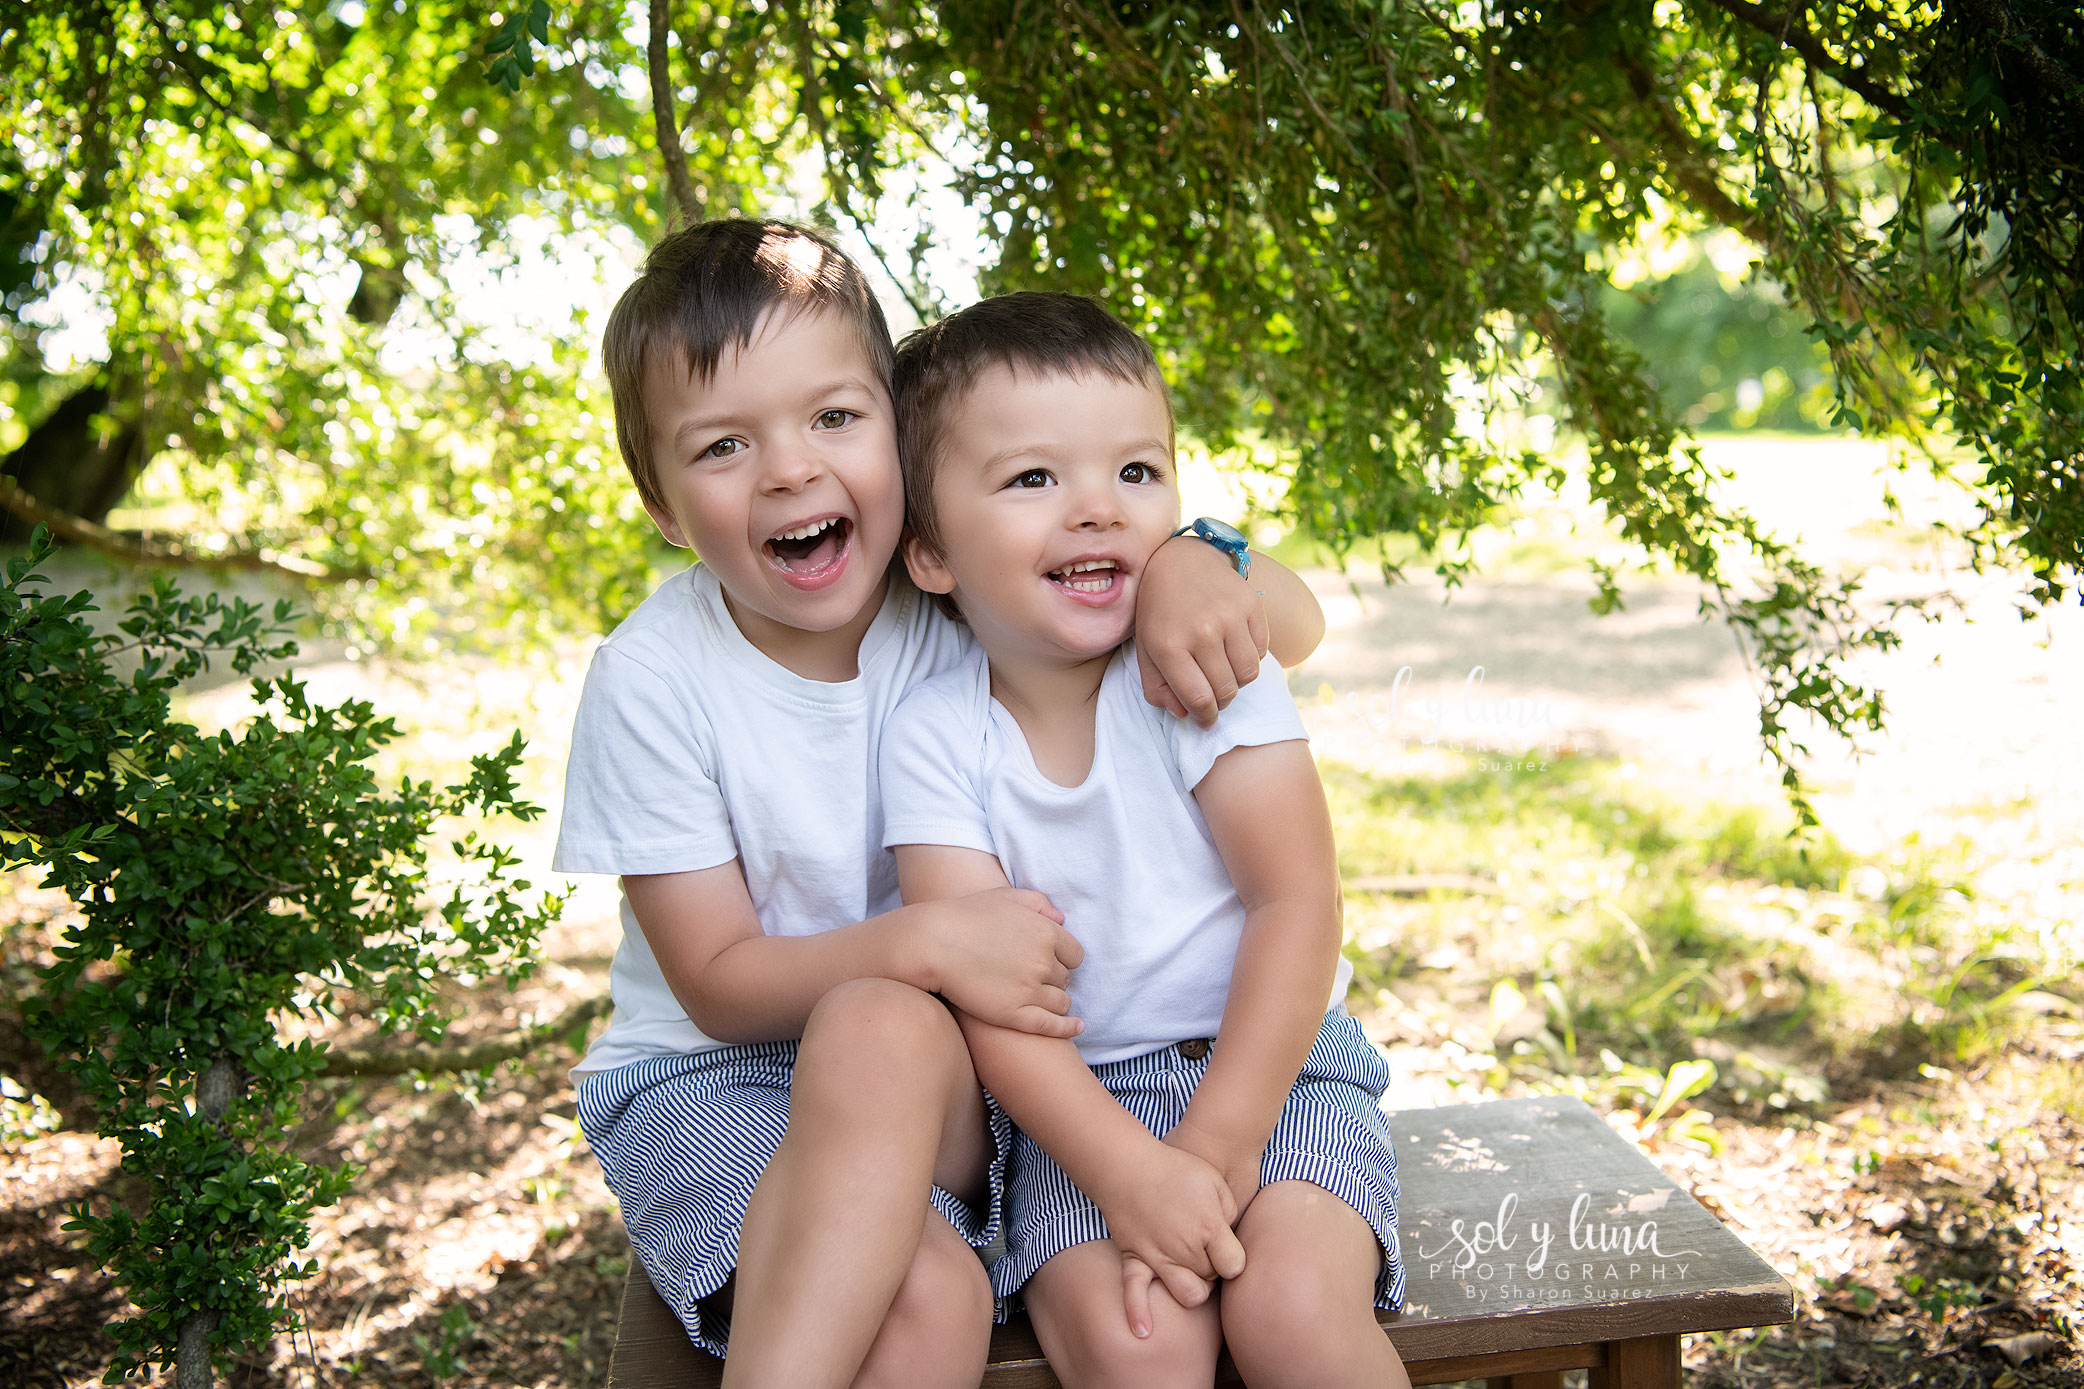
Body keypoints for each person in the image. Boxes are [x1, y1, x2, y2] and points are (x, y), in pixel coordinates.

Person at [554, 220, 1327, 1389]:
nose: (789, 470)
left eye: (833, 419)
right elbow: (712, 983)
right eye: (721, 447)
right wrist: (921, 943)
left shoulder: (968, 594)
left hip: (959, 1075)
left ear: (902, 458)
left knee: (891, 1024)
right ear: (661, 505)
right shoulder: (653, 679)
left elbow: (1290, 622)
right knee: (925, 1298)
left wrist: (1188, 559)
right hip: (712, 1078)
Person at [880, 292, 1408, 1389]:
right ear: (928, 551)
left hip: (1279, 1070)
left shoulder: (1200, 668)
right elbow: (993, 995)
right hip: (1082, 1116)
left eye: (1136, 472)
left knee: (1297, 1316)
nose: (1097, 511)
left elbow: (1294, 904)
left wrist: (1211, 1152)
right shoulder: (934, 736)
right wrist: (1132, 1176)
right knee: (1136, 1351)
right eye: (1034, 478)